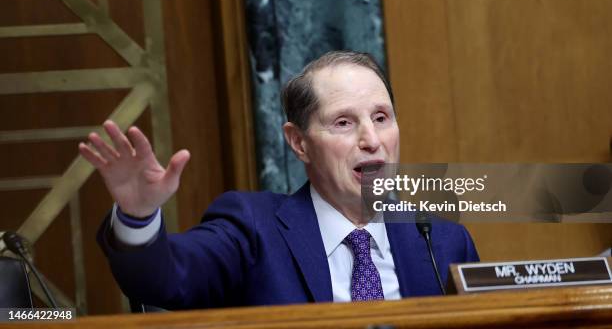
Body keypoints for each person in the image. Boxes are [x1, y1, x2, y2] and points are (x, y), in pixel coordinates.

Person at [80, 50, 479, 310]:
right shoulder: (253, 229)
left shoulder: (439, 237)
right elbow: (164, 280)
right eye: (344, 122)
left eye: (381, 118)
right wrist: (139, 216)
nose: (371, 141)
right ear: (299, 143)